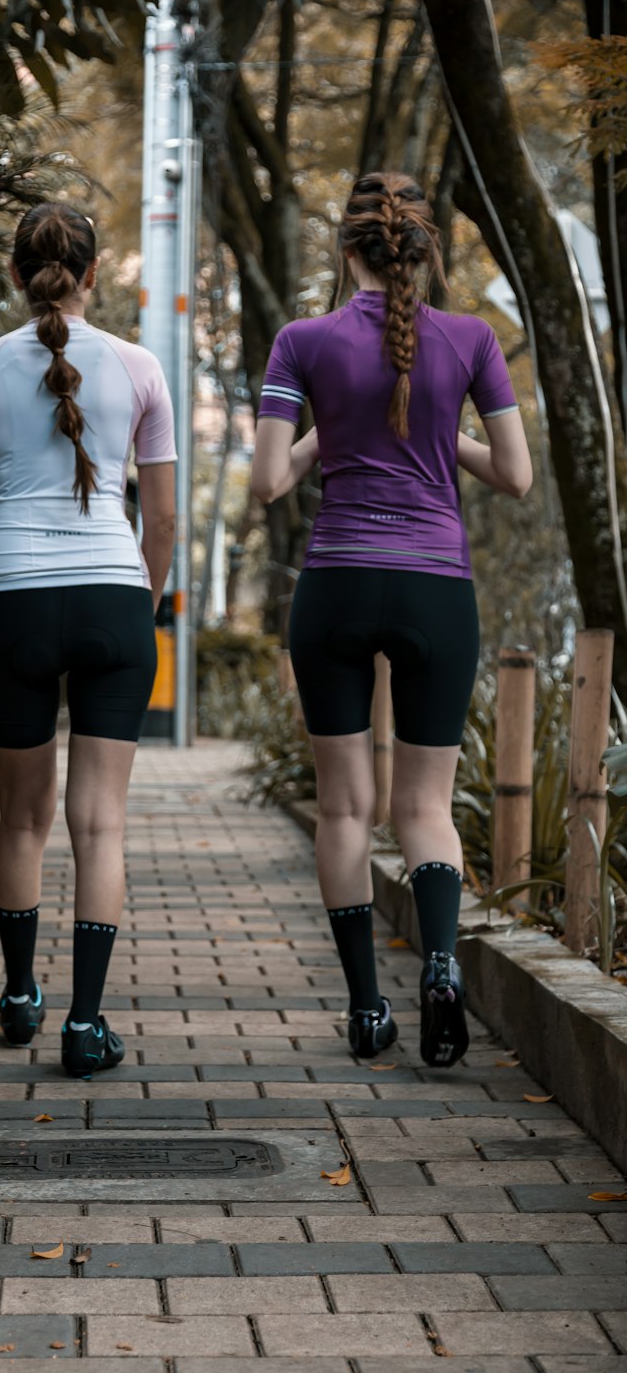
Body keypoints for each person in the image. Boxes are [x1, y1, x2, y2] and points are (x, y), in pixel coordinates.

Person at [251, 171, 532, 1065]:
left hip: (334, 585)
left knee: (346, 808)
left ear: (347, 248)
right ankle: (442, 963)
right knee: (424, 806)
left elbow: (267, 483)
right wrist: (435, 422)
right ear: (426, 247)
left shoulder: (302, 341)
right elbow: (516, 476)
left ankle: (367, 1007)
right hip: (433, 590)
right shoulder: (473, 339)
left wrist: (335, 426)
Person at [0, 203, 177, 1079]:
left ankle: (17, 998)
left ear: (17, 275)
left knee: (23, 819)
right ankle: (86, 1023)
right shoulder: (140, 367)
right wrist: (139, 606)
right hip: (116, 598)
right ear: (93, 274)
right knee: (101, 824)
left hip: (13, 598)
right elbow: (158, 515)